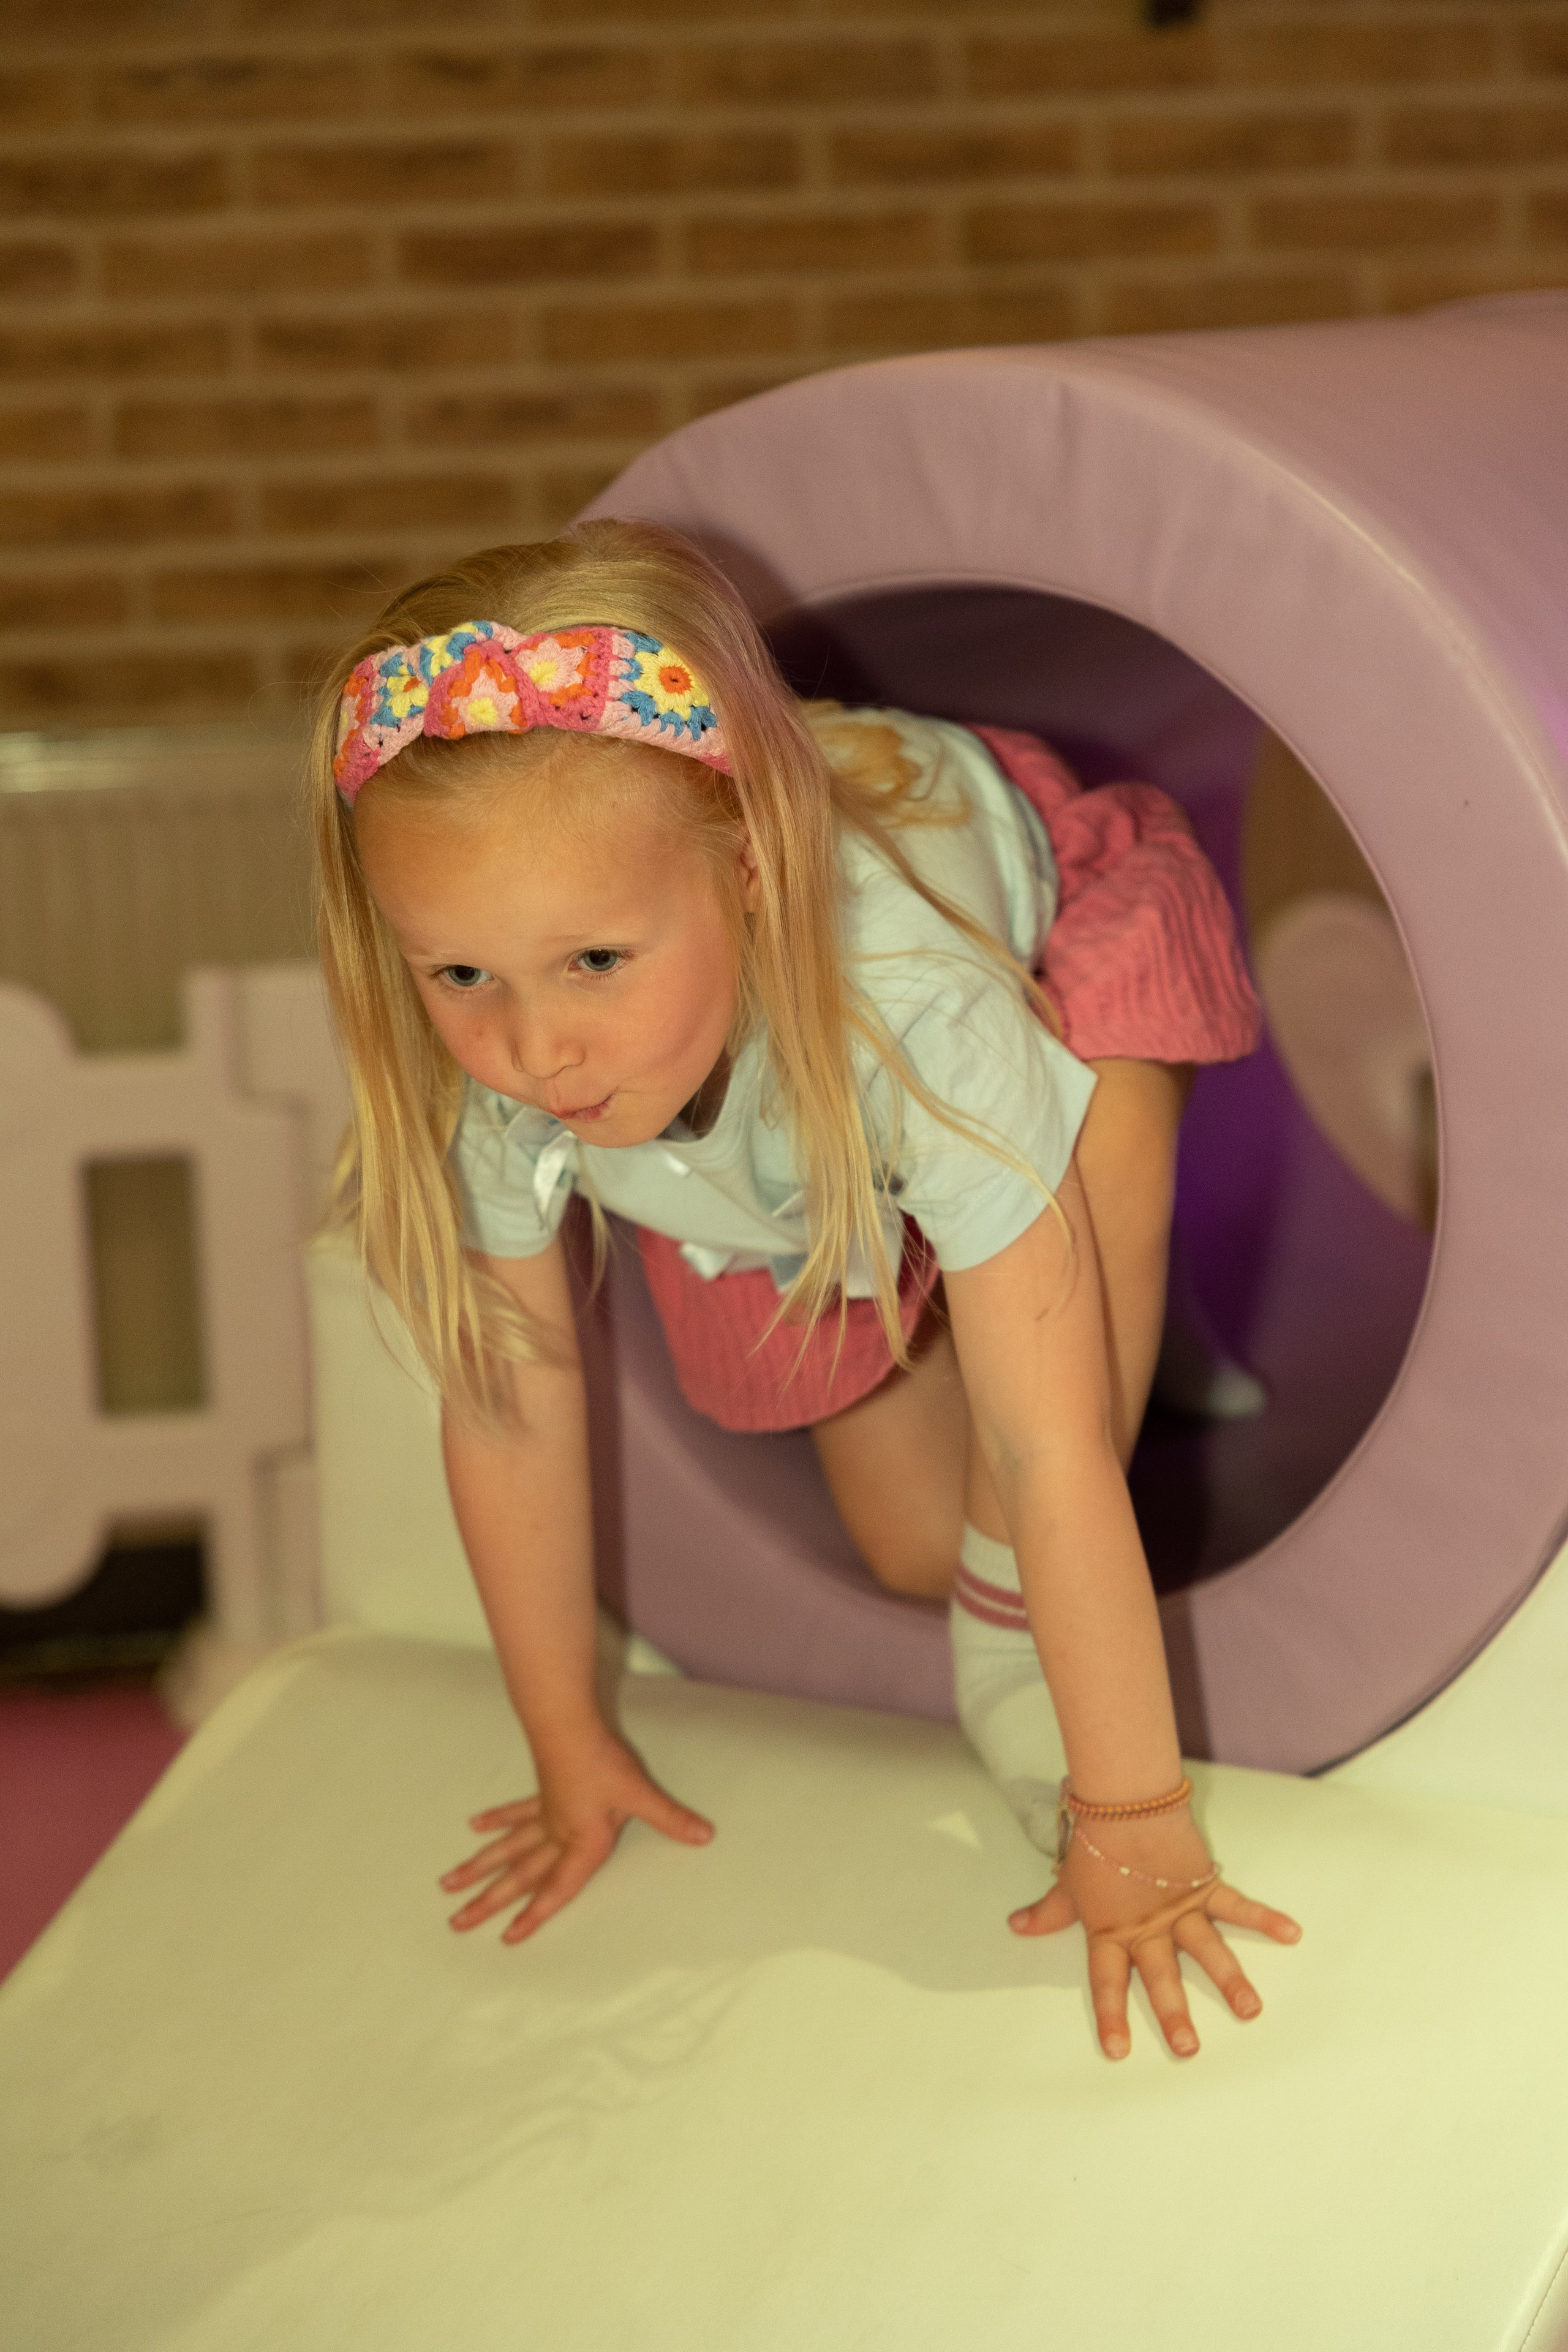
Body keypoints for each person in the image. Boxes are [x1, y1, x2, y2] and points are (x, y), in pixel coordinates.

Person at [314, 518, 1300, 2063]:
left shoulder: (915, 1009)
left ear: (752, 874)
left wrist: (1131, 1818)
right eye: (459, 975)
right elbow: (513, 1407)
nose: (533, 1048)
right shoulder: (497, 1077)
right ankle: (983, 1287)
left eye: (593, 962)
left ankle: (1086, 1303)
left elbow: (1044, 1451)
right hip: (778, 1158)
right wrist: (565, 1740)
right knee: (914, 1545)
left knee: (1055, 1384)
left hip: (1040, 928)